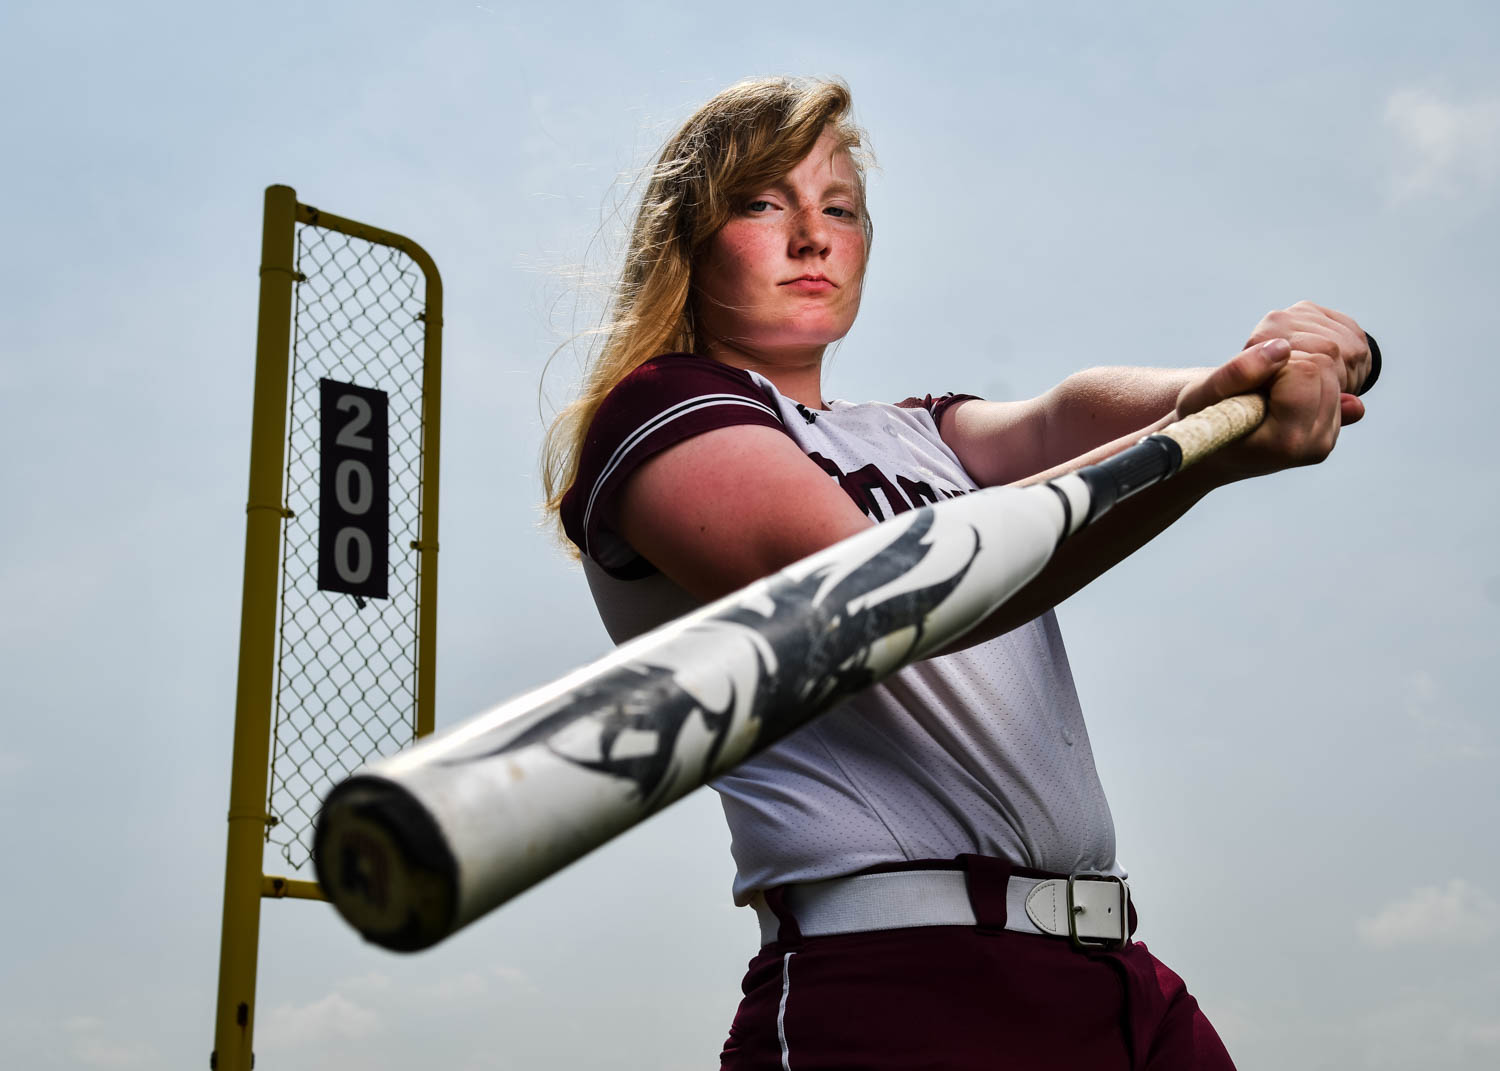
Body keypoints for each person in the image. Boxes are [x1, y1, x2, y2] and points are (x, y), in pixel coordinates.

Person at [542, 78, 1373, 1070]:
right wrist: (1207, 450)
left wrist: (1246, 377)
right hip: (900, 980)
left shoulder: (919, 429)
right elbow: (885, 595)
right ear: (692, 236)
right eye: (766, 203)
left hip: (1122, 983)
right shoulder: (659, 409)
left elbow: (1066, 419)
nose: (814, 237)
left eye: (839, 208)